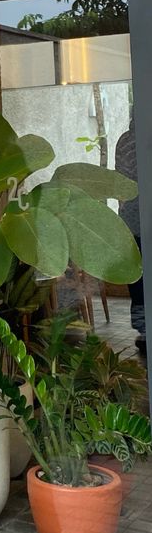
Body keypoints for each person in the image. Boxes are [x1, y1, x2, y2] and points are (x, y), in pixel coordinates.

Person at [115, 115, 146, 356]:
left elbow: (121, 183)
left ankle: (143, 328)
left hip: (130, 218)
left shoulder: (124, 141)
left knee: (137, 276)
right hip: (137, 216)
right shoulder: (136, 141)